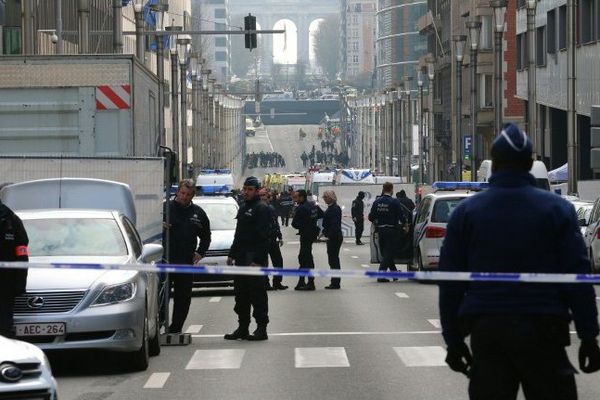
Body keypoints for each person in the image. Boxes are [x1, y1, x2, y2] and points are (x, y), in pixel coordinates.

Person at [439, 123, 600, 399]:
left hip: (488, 332)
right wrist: (588, 335)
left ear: (495, 164)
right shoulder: (557, 210)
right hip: (544, 331)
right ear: (529, 163)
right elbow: (578, 277)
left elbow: (451, 283)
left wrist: (453, 341)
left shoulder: (466, 213)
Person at [225, 177, 271, 341]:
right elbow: (239, 234)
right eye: (245, 189)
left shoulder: (262, 208)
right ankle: (242, 327)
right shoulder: (243, 208)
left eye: (250, 189)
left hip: (254, 258)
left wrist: (258, 260)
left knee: (257, 295)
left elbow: (265, 237)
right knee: (241, 295)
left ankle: (261, 328)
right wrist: (232, 254)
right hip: (242, 257)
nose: (246, 192)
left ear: (257, 190)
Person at [163, 179, 211, 333]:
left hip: (185, 262)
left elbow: (206, 236)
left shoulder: (198, 213)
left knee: (183, 297)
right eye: (182, 193)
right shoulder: (165, 208)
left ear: (193, 196)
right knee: (160, 296)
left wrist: (200, 253)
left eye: (188, 194)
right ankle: (157, 325)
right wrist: (160, 226)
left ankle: (176, 328)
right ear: (177, 192)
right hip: (164, 261)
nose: (184, 197)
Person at [0, 199, 28, 338]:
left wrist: (20, 283)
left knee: (4, 328)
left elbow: (22, 254)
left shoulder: (12, 220)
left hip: (5, 286)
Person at [368, 182, 405, 282]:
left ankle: (394, 274)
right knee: (389, 253)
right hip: (392, 230)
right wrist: (405, 224)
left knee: (386, 253)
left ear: (383, 189)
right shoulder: (394, 202)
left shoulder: (377, 202)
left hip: (381, 230)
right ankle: (381, 275)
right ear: (392, 189)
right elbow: (402, 217)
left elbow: (370, 217)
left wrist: (377, 222)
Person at [292, 189, 323, 291]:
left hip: (305, 234)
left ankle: (308, 282)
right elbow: (321, 214)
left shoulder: (301, 208)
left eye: (296, 197)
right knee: (306, 257)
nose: (294, 199)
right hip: (312, 234)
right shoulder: (313, 205)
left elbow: (294, 223)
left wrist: (304, 224)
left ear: (302, 197)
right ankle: (304, 281)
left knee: (304, 258)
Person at [259, 188, 288, 291]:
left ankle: (277, 282)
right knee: (264, 262)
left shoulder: (271, 208)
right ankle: (265, 283)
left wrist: (279, 236)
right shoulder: (257, 209)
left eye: (266, 195)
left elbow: (275, 223)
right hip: (262, 240)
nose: (264, 197)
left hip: (272, 238)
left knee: (278, 261)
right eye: (262, 195)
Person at [321, 190, 342, 289]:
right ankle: (334, 281)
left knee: (333, 259)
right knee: (332, 259)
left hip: (334, 237)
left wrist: (329, 235)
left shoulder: (334, 209)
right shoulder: (331, 208)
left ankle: (336, 282)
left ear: (331, 197)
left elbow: (334, 225)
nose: (324, 198)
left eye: (325, 197)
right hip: (332, 236)